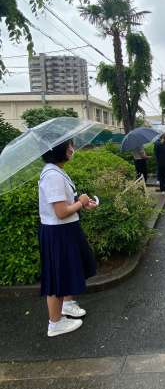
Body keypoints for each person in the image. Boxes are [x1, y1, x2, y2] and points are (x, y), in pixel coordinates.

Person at [39, 139, 97, 337]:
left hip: (65, 229)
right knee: (57, 276)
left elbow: (64, 204)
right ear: (57, 150)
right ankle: (55, 323)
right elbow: (61, 212)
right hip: (58, 232)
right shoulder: (52, 175)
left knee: (67, 269)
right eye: (68, 146)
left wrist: (82, 203)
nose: (72, 149)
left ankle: (67, 304)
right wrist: (80, 202)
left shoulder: (57, 171)